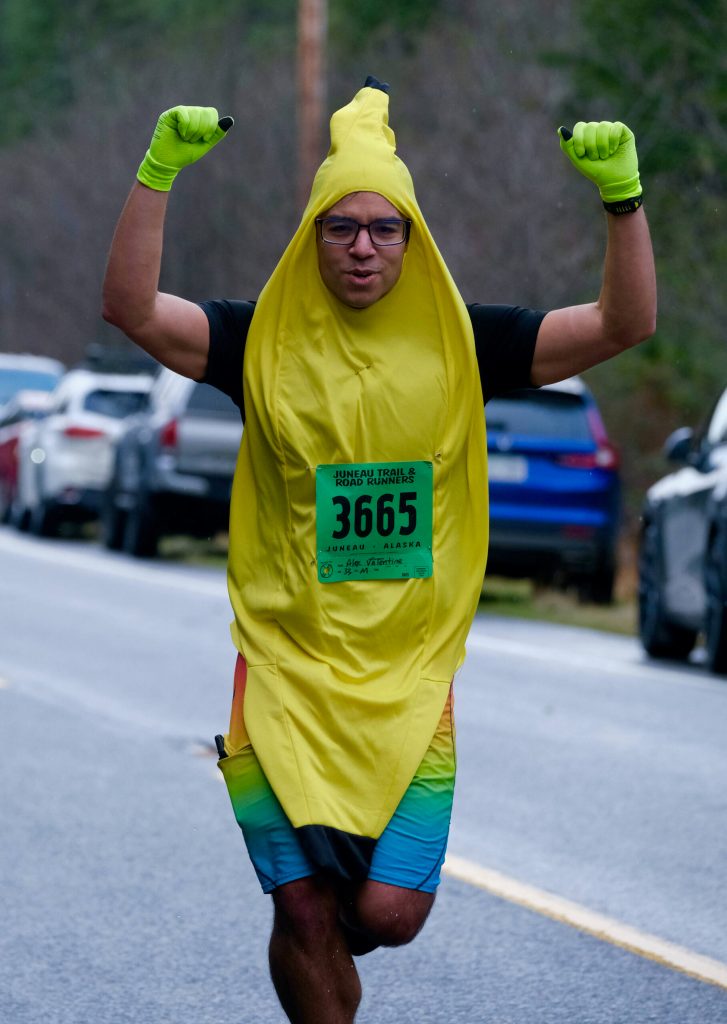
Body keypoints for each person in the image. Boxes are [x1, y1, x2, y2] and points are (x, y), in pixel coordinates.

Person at [102, 77, 655, 1023]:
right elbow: (134, 311)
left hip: (407, 682)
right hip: (282, 673)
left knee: (385, 916)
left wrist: (622, 201)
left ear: (412, 237)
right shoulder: (258, 339)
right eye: (340, 226)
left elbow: (621, 324)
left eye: (383, 228)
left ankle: (319, 940)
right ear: (312, 232)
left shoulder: (466, 342)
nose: (361, 246)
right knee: (307, 907)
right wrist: (156, 176)